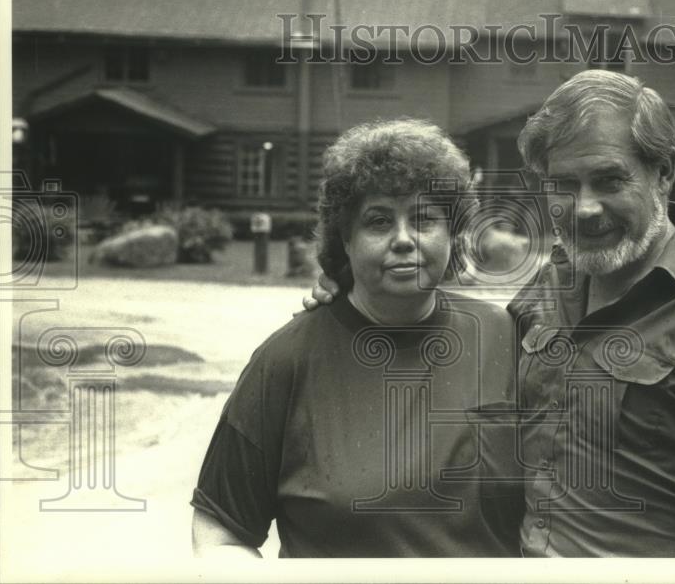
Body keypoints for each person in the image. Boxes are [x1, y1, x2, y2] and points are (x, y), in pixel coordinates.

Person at [306, 70, 675, 557]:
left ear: (665, 172)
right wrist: (358, 305)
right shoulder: (549, 287)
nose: (584, 208)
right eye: (564, 185)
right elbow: (457, 375)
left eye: (609, 180)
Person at [192, 119, 521, 557]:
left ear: (452, 232)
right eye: (379, 221)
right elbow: (219, 533)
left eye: (424, 219)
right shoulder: (286, 360)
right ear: (345, 238)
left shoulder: (504, 338)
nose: (404, 239)